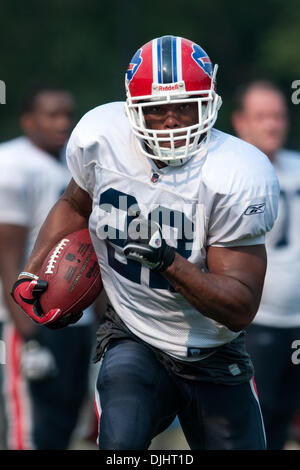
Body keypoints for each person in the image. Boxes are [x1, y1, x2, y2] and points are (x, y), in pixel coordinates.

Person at [11, 36, 280, 450]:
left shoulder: (237, 172)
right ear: (131, 108)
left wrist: (167, 261)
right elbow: (73, 204)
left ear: (209, 102)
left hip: (212, 349)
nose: (172, 120)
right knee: (121, 445)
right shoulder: (102, 136)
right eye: (156, 110)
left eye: (184, 106)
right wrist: (34, 269)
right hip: (133, 332)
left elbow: (240, 307)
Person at [0, 85, 95, 449]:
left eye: (67, 116)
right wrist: (30, 337)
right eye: (52, 115)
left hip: (74, 321)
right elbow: (7, 258)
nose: (63, 123)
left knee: (63, 426)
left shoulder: (71, 169)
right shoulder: (13, 165)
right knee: (28, 432)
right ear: (27, 120)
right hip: (31, 320)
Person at [231, 80, 300, 450]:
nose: (272, 125)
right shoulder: (229, 173)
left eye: (277, 115)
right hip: (254, 324)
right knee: (255, 425)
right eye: (262, 117)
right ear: (241, 121)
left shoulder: (297, 166)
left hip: (298, 322)